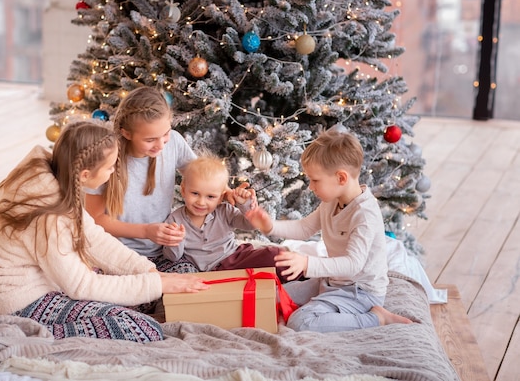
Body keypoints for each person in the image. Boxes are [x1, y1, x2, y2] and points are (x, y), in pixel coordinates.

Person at [0, 121, 208, 343]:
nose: (113, 172)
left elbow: (93, 238)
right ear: (85, 175)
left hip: (45, 278)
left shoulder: (57, 176)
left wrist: (150, 271)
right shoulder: (47, 214)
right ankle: (26, 330)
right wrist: (156, 284)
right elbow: (81, 285)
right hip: (16, 300)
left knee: (150, 290)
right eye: (110, 167)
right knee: (140, 328)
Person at [245, 128, 413, 333]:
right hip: (333, 282)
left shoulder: (364, 214)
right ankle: (329, 305)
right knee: (272, 297)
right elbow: (305, 228)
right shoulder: (332, 201)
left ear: (341, 178)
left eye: (315, 180)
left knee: (301, 322)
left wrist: (307, 264)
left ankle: (377, 318)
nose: (310, 187)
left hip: (360, 292)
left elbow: (353, 264)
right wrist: (270, 226)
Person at [85, 86, 240, 273]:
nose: (160, 145)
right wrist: (146, 231)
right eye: (150, 139)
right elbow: (95, 220)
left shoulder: (173, 142)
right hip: (119, 253)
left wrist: (229, 192)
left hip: (165, 253)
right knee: (135, 293)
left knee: (189, 286)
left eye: (165, 133)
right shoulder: (108, 159)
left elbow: (204, 175)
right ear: (126, 133)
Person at [162, 152, 291, 283]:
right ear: (183, 190)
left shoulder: (224, 210)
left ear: (220, 197)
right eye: (195, 193)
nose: (201, 202)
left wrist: (244, 204)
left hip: (235, 259)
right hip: (210, 274)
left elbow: (250, 225)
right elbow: (172, 257)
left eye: (210, 197)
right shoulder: (174, 220)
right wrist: (175, 241)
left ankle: (301, 274)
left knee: (274, 255)